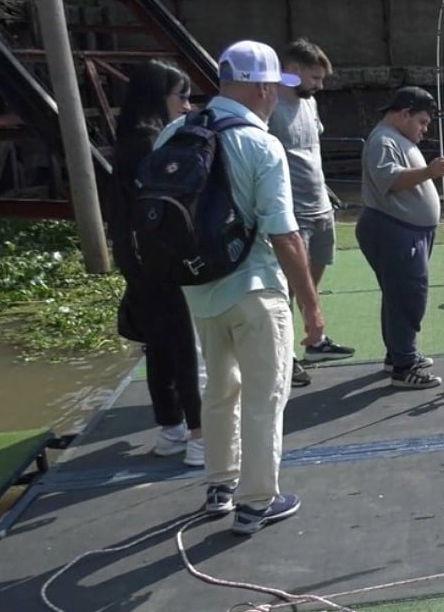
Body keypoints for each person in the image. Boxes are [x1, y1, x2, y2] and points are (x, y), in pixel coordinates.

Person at [156, 39, 326, 534]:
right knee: (263, 398)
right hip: (255, 288)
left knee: (219, 388)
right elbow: (285, 236)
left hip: (199, 288)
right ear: (262, 88)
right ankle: (256, 503)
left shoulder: (174, 131)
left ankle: (220, 485)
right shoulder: (261, 144)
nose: (276, 95)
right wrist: (312, 309)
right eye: (274, 87)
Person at [107, 60, 206, 466]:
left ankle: (172, 429)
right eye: (181, 97)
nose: (187, 106)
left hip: (135, 258)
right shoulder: (156, 143)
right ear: (157, 98)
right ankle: (201, 436)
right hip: (165, 257)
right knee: (186, 346)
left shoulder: (127, 141)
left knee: (160, 345)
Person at [267, 38, 354, 387]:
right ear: (293, 70)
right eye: (315, 78)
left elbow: (310, 149)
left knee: (310, 284)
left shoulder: (310, 102)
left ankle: (314, 342)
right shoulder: (270, 104)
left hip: (320, 206)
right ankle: (283, 357)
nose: (320, 85)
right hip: (292, 212)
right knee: (287, 288)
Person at [357, 86, 444, 389]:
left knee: (398, 295)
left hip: (408, 229)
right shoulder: (383, 140)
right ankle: (404, 367)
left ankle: (398, 353)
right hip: (393, 229)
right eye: (422, 122)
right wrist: (429, 172)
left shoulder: (397, 138)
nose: (425, 129)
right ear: (405, 114)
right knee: (407, 296)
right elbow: (390, 179)